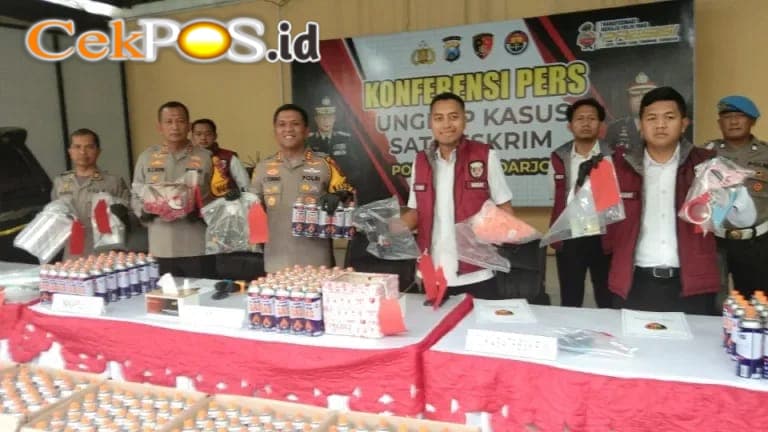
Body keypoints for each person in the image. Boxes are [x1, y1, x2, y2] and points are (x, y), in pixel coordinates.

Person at [603, 87, 719, 314]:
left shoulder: (707, 166)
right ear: (640, 125)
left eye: (669, 117)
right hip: (634, 283)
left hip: (692, 285)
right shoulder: (617, 169)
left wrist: (736, 197)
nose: (660, 125)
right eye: (652, 118)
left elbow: (735, 220)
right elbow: (598, 224)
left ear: (684, 123)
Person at [399, 92, 514, 299]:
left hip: (476, 274)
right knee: (433, 321)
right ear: (430, 123)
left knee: (479, 321)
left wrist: (495, 233)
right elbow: (416, 213)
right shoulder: (420, 161)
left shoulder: (485, 156)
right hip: (431, 273)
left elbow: (505, 210)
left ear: (464, 120)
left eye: (453, 117)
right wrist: (386, 229)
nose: (446, 124)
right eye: (439, 118)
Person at [250, 104, 355, 273]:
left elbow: (349, 196)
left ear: (306, 131)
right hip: (275, 261)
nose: (288, 129)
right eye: (282, 124)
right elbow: (251, 209)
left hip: (317, 262)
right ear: (275, 131)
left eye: (295, 124)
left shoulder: (325, 164)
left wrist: (340, 196)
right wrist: (235, 201)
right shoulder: (263, 168)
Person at [132, 101, 214, 278]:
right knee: (164, 294)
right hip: (160, 247)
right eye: (169, 122)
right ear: (159, 127)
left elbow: (217, 196)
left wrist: (201, 210)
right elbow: (135, 194)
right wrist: (145, 211)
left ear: (189, 126)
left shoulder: (206, 157)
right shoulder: (147, 157)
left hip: (196, 246)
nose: (175, 127)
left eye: (180, 121)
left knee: (199, 293)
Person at [549, 98, 612, 308]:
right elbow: (556, 196)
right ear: (570, 125)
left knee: (607, 296)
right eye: (580, 119)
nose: (586, 123)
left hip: (605, 234)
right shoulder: (559, 156)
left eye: (591, 118)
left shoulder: (613, 155)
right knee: (570, 297)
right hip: (571, 234)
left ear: (600, 124)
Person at [705, 95, 768, 298]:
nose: (733, 122)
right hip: (715, 241)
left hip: (757, 243)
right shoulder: (705, 153)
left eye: (740, 116)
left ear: (752, 121)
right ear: (719, 123)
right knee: (712, 302)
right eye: (727, 117)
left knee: (757, 304)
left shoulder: (766, 154)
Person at [51, 128, 130, 259]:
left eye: (89, 147)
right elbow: (54, 218)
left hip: (105, 254)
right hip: (73, 253)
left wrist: (119, 214)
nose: (83, 152)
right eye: (77, 147)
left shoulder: (113, 182)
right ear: (70, 151)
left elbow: (131, 217)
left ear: (98, 151)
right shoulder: (60, 182)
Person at [190, 118, 250, 198]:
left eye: (208, 134)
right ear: (192, 137)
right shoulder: (188, 159)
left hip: (226, 203)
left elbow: (245, 186)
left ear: (215, 136)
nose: (203, 138)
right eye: (198, 134)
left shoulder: (229, 157)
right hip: (198, 203)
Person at [605, 72, 657, 151]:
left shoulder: (665, 127)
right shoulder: (615, 129)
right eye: (635, 95)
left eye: (646, 94)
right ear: (628, 100)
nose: (641, 99)